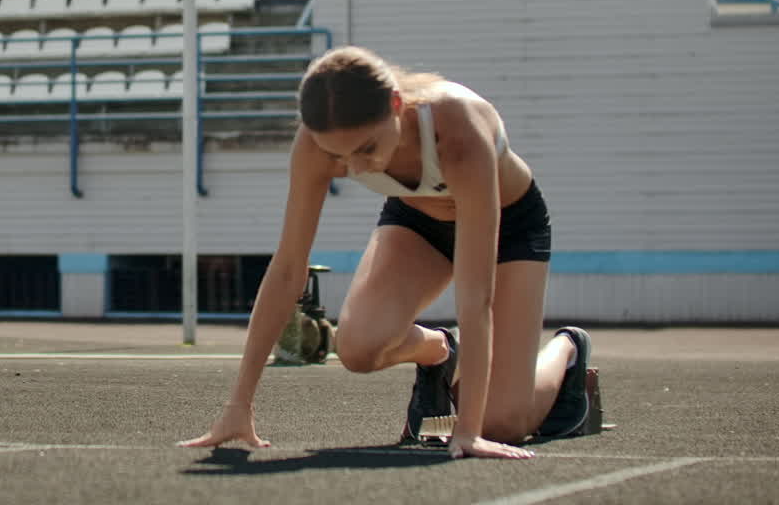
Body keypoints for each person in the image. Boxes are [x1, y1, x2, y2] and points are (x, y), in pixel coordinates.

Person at [180, 46, 592, 460]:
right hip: (418, 222)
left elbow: (475, 296)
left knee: (503, 425)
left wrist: (467, 432)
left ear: (396, 104)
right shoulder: (316, 143)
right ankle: (442, 352)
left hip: (510, 227)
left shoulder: (459, 130)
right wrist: (238, 406)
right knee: (357, 347)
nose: (356, 168)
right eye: (337, 156)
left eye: (365, 149)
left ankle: (567, 350)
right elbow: (288, 268)